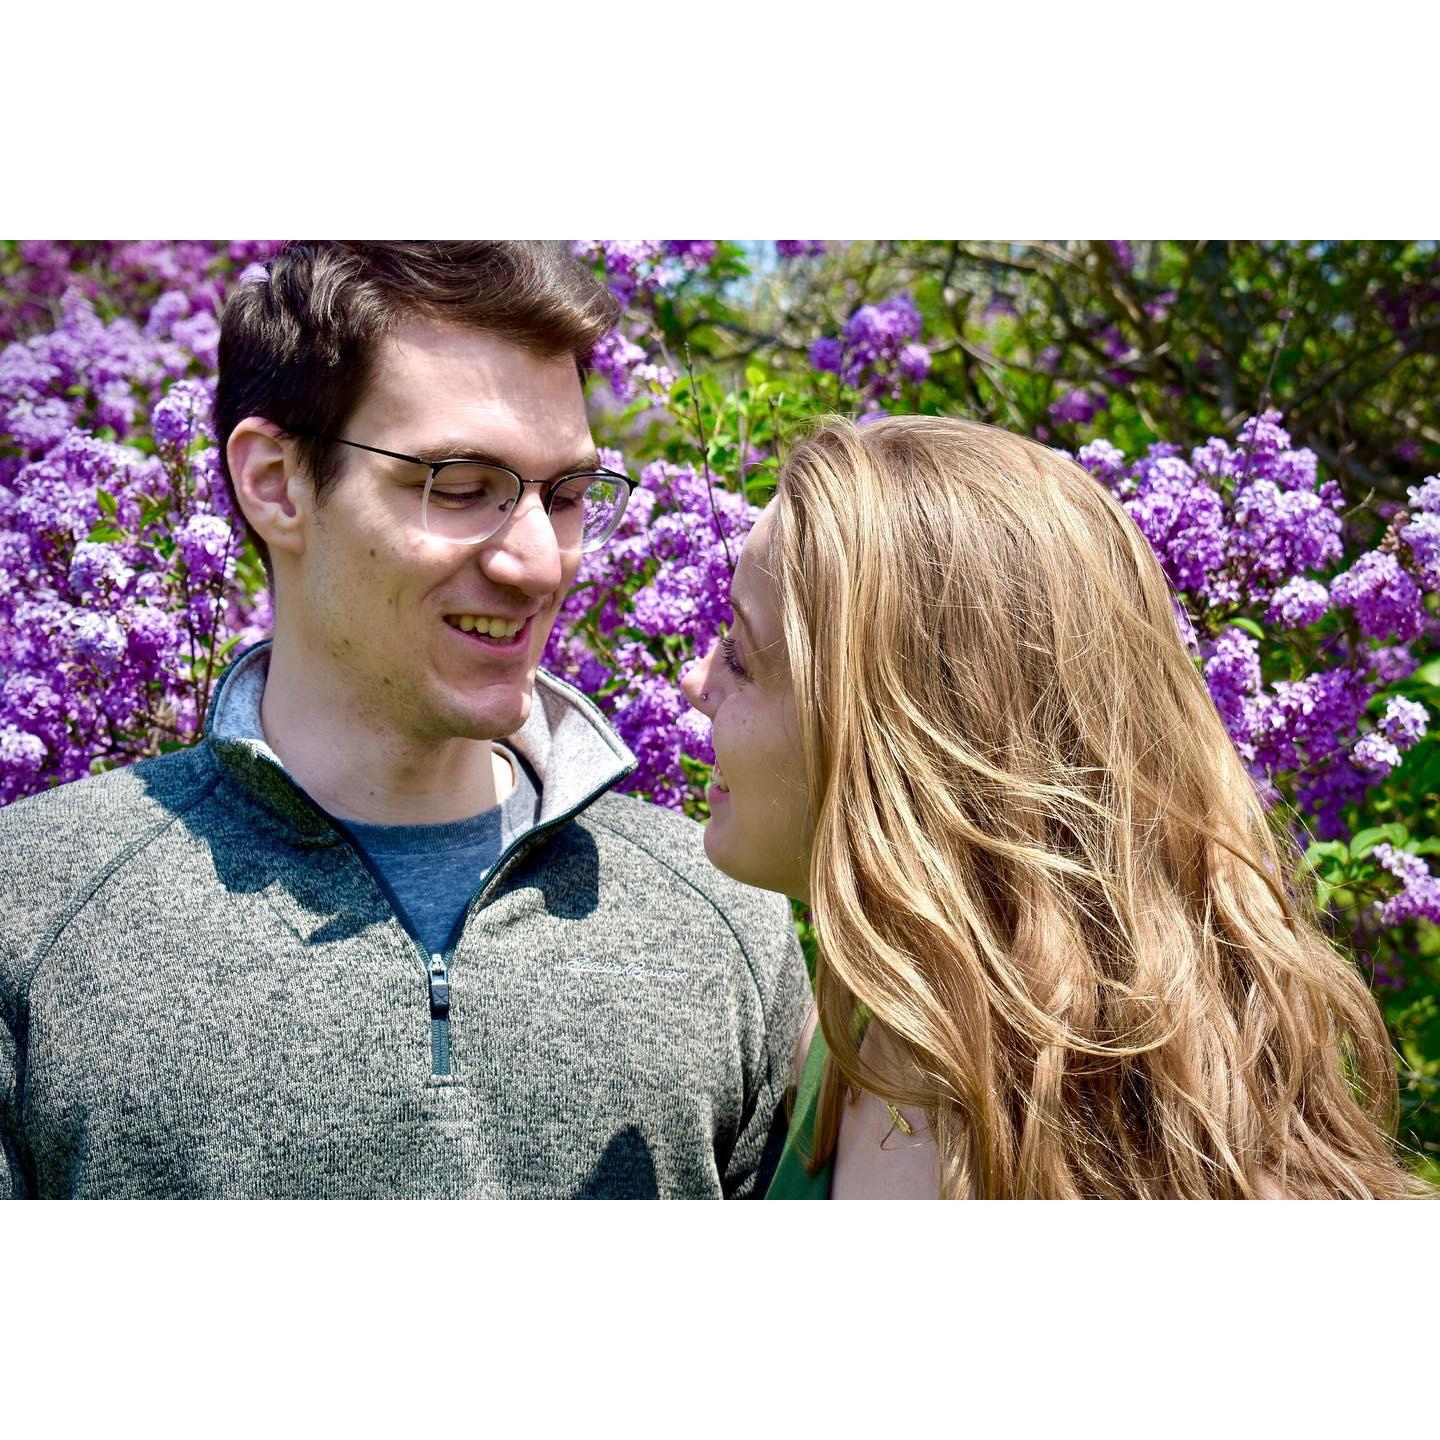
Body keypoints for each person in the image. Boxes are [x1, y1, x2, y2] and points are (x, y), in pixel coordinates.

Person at [0, 242, 808, 1200]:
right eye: (459, 487)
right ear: (275, 483)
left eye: (568, 496)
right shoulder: (33, 908)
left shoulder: (725, 923)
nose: (540, 563)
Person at [682, 414, 1427, 1199]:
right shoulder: (852, 1047)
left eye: (740, 650)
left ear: (902, 739)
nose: (694, 683)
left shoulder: (1157, 1182)